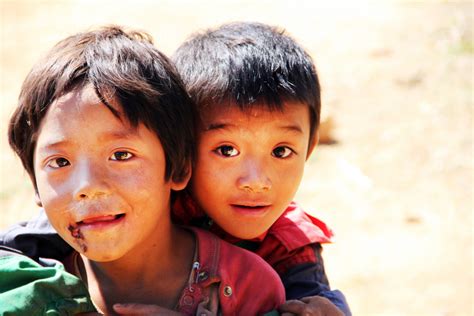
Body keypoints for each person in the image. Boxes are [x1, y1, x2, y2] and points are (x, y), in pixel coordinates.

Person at [0, 26, 285, 315]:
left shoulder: (246, 286)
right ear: (35, 182)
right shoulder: (22, 291)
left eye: (121, 155)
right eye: (60, 162)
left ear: (178, 167)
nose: (87, 186)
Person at [169, 22, 351, 316]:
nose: (257, 182)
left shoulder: (288, 248)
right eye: (227, 150)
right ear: (182, 149)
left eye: (281, 151)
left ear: (309, 149)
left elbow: (316, 303)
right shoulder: (152, 208)